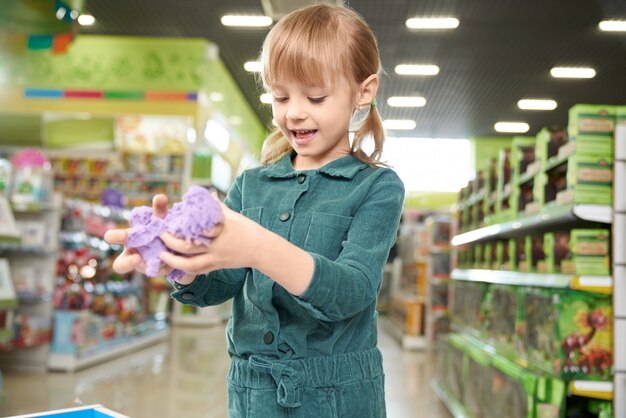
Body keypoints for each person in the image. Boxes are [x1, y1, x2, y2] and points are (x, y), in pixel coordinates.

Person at [104, 4, 404, 417]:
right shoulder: (251, 185)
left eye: (315, 96)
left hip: (338, 397)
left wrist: (258, 247)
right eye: (280, 96)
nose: (293, 111)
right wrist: (178, 259)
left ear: (363, 91)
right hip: (252, 394)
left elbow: (351, 293)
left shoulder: (377, 187)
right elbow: (221, 283)